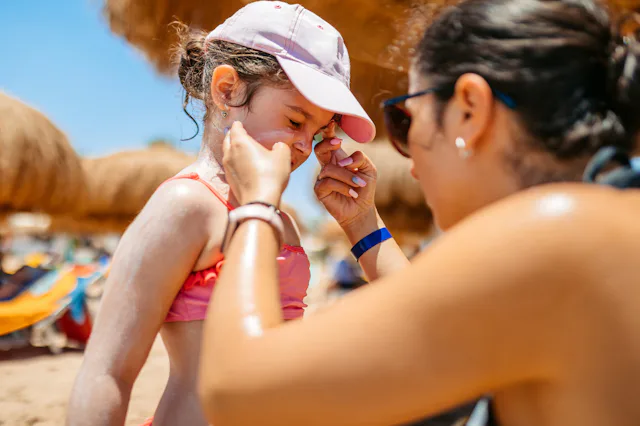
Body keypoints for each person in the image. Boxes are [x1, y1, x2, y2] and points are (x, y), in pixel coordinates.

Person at [197, 1, 640, 425]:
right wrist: (361, 224)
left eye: (405, 121)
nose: (409, 163)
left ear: (469, 109)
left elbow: (231, 389)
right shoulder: (594, 224)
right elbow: (435, 318)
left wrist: (256, 206)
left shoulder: (556, 235)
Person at [66, 2, 375, 426]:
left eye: (319, 131)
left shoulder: (278, 220)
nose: (306, 145)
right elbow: (108, 372)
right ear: (227, 90)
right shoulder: (186, 205)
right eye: (294, 120)